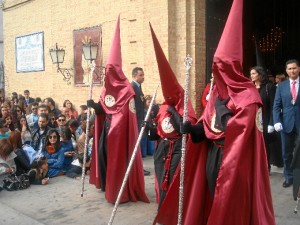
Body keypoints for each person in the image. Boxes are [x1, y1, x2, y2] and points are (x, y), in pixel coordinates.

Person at [153, 0, 275, 224]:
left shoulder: (249, 97)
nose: (217, 71)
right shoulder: (217, 93)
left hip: (237, 161)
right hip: (213, 155)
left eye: (222, 66)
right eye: (215, 66)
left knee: (231, 201)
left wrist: (220, 108)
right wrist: (193, 129)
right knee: (212, 193)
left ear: (232, 67)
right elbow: (208, 126)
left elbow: (237, 133)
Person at [88, 17, 149, 204]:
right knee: (103, 156)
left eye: (110, 69)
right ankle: (108, 184)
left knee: (118, 160)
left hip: (121, 134)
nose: (108, 73)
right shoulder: (106, 89)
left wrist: (117, 124)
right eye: (107, 70)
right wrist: (93, 105)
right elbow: (103, 109)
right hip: (107, 130)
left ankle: (120, 188)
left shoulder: (127, 89)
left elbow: (127, 115)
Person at [273, 59, 300, 188]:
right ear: (286, 71)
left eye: (294, 68)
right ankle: (289, 177)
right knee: (286, 153)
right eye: (289, 69)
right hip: (286, 123)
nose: (292, 71)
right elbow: (276, 106)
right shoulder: (281, 86)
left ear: (299, 69)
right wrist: (277, 121)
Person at [250, 66, 277, 172]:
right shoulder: (250, 88)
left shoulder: (269, 87)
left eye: (253, 73)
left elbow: (273, 106)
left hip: (264, 120)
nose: (251, 76)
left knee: (264, 144)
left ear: (260, 74)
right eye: (251, 74)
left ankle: (266, 167)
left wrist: (271, 122)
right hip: (252, 121)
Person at [131, 67, 150, 176]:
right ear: (134, 76)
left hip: (140, 120)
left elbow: (140, 104)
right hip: (136, 121)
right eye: (140, 75)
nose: (143, 77)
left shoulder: (138, 87)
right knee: (136, 146)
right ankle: (137, 169)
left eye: (143, 75)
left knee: (138, 146)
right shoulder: (132, 87)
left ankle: (138, 168)